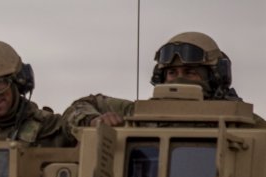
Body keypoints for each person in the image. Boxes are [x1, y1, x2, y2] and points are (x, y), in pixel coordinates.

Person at [64, 31, 243, 129]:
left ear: (215, 78)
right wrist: (95, 120)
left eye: (190, 72)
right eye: (172, 72)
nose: (178, 80)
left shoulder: (238, 120)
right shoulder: (139, 113)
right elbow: (81, 105)